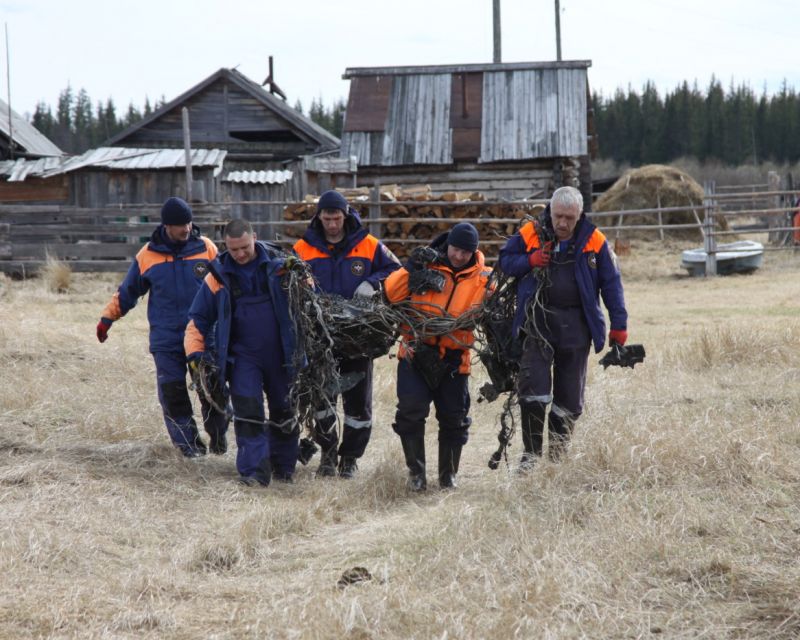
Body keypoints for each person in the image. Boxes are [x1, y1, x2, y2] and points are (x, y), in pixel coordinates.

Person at [498, 186, 628, 469]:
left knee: (569, 397)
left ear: (579, 215)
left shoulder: (595, 240)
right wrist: (529, 261)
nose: (562, 223)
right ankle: (531, 458)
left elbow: (612, 284)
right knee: (533, 391)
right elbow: (505, 262)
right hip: (537, 322)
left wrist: (619, 325)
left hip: (577, 326)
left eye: (569, 217)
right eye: (558, 216)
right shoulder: (531, 233)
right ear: (550, 211)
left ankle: (557, 460)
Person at [96, 196, 228, 458]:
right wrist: (107, 318)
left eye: (189, 223)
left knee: (212, 389)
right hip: (166, 338)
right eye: (181, 225)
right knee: (172, 392)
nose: (187, 229)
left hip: (203, 336)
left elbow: (228, 287)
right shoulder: (148, 255)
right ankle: (190, 448)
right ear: (167, 226)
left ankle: (218, 434)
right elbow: (128, 292)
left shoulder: (206, 248)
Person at [185, 219, 302, 486]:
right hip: (243, 357)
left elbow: (308, 295)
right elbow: (197, 319)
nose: (239, 254)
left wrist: (301, 276)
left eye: (244, 248)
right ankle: (254, 473)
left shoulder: (281, 265)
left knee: (284, 409)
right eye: (233, 249)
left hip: (282, 354)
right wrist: (195, 354)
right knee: (248, 411)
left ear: (255, 238)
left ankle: (284, 468)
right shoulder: (217, 275)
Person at [293, 190, 400, 479]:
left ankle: (350, 458)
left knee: (357, 405)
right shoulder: (303, 248)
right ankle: (327, 453)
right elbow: (287, 278)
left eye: (336, 218)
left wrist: (372, 282)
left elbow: (396, 270)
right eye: (326, 219)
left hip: (357, 337)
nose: (332, 224)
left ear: (346, 215)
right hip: (320, 338)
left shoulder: (368, 244)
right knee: (322, 401)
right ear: (319, 217)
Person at [383, 222, 491, 491]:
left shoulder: (484, 279)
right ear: (448, 245)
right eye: (455, 249)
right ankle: (416, 475)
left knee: (454, 418)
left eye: (465, 253)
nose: (458, 256)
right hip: (414, 352)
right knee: (410, 412)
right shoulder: (426, 265)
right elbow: (390, 294)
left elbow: (495, 313)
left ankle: (448, 476)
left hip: (455, 359)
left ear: (474, 252)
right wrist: (410, 267)